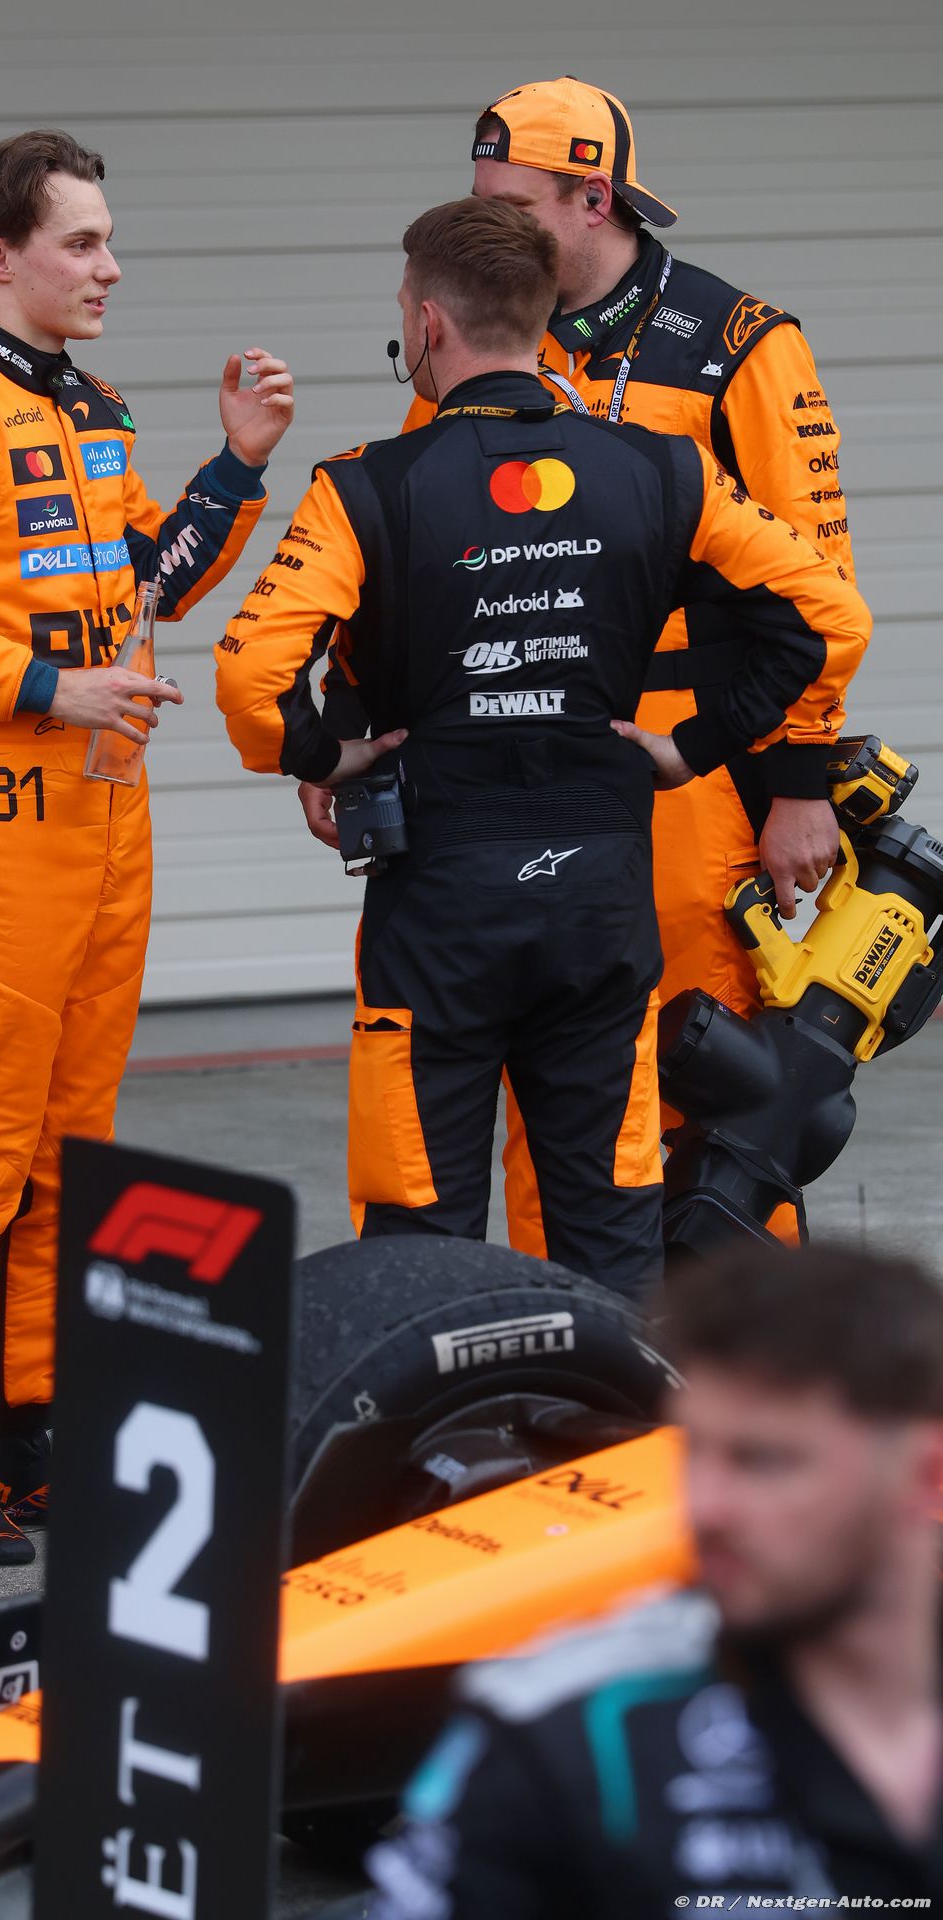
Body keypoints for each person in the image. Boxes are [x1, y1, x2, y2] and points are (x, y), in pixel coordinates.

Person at [213, 197, 868, 1295]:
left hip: (438, 906)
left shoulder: (362, 485)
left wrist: (326, 757)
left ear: (429, 324)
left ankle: (445, 1405)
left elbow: (249, 677)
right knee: (613, 1228)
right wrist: (692, 746)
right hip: (600, 898)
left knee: (418, 1236)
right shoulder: (665, 471)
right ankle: (620, 1409)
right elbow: (827, 618)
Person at [0, 129, 293, 1564]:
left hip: (106, 813)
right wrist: (46, 688)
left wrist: (237, 465)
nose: (110, 267)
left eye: (105, 240)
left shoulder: (93, 407)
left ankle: (32, 1430)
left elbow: (152, 584)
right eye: (82, 242)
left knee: (69, 1141)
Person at [358, 1239, 943, 1916]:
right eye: (691, 1453)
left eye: (763, 1461)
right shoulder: (558, 1733)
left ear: (924, 1476)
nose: (703, 1506)